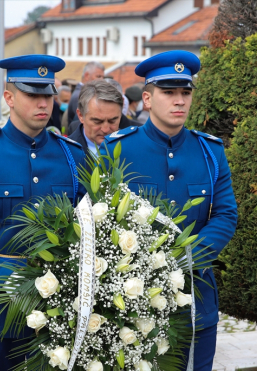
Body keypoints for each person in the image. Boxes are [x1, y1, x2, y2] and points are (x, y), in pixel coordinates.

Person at [0, 54, 86, 371]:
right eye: (32, 93)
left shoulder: (71, 155)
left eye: (47, 93)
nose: (43, 102)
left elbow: (88, 227)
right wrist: (15, 282)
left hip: (58, 309)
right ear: (9, 97)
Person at [101, 50, 238, 371]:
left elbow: (225, 214)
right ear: (147, 99)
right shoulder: (117, 148)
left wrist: (189, 257)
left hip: (196, 295)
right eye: (169, 92)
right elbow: (104, 217)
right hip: (136, 301)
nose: (179, 101)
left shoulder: (209, 151)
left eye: (185, 92)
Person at [68, 80, 123, 158]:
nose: (105, 129)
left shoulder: (132, 148)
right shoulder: (64, 152)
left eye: (112, 121)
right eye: (97, 121)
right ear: (80, 115)